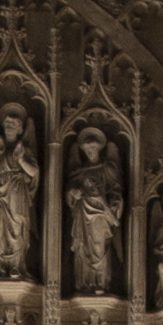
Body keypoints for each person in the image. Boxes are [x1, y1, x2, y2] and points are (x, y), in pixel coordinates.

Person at [0, 102, 41, 279]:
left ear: (20, 130)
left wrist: (21, 160)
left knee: (17, 226)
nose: (9, 127)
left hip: (16, 192)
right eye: (6, 124)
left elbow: (34, 172)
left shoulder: (23, 149)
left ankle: (16, 265)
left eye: (13, 124)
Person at [64, 125, 123, 295]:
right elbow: (69, 194)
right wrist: (72, 194)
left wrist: (112, 205)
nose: (90, 152)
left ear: (100, 149)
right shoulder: (79, 171)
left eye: (93, 149)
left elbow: (116, 190)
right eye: (87, 149)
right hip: (82, 213)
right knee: (82, 246)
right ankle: (84, 283)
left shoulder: (107, 168)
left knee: (99, 246)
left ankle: (100, 282)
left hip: (100, 214)